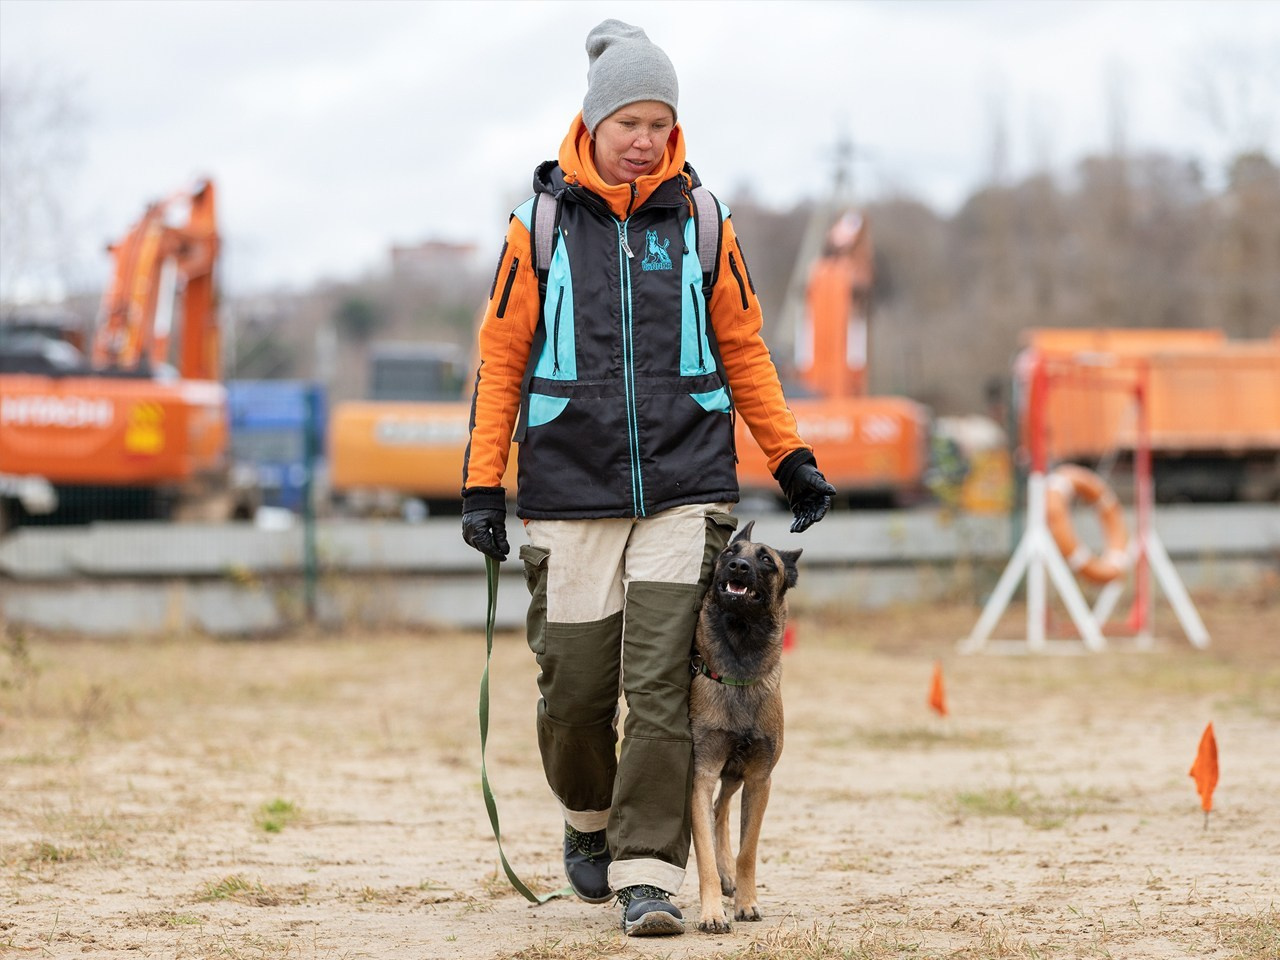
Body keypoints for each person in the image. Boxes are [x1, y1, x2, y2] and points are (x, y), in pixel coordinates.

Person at [461, 19, 835, 937]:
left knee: (663, 690)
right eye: (629, 120)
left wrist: (789, 457)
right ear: (592, 123)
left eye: (660, 122)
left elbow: (744, 346)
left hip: (687, 488)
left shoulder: (703, 223)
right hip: (568, 492)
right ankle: (588, 823)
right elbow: (500, 360)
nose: (645, 138)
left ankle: (646, 877)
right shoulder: (539, 227)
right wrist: (481, 485)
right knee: (577, 693)